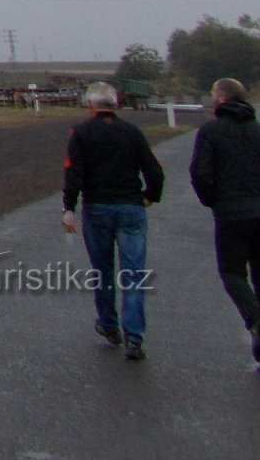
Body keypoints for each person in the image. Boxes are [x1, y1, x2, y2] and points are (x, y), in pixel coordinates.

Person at [188, 76, 260, 364]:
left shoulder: (210, 133)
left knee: (232, 273)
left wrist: (213, 200)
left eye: (214, 94)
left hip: (231, 215)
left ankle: (256, 320)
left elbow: (201, 174)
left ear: (222, 98)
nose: (212, 99)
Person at [61, 80, 164, 361]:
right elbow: (154, 170)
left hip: (97, 207)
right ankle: (134, 336)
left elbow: (74, 173)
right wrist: (150, 196)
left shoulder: (80, 133)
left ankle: (108, 325)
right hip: (130, 206)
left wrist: (68, 208)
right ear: (115, 104)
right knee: (133, 273)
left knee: (103, 270)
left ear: (90, 104)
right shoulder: (132, 132)